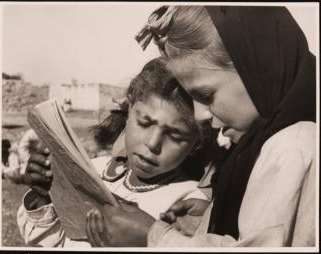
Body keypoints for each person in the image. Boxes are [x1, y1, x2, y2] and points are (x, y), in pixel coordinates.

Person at [89, 5, 316, 247]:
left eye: (206, 95)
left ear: (257, 70)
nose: (200, 115)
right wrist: (209, 220)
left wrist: (154, 238)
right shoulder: (263, 145)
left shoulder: (293, 146)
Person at [17, 58, 211, 247]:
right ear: (128, 112)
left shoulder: (188, 204)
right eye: (144, 123)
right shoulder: (94, 169)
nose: (153, 143)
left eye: (175, 136)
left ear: (196, 145)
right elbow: (52, 243)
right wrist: (44, 196)